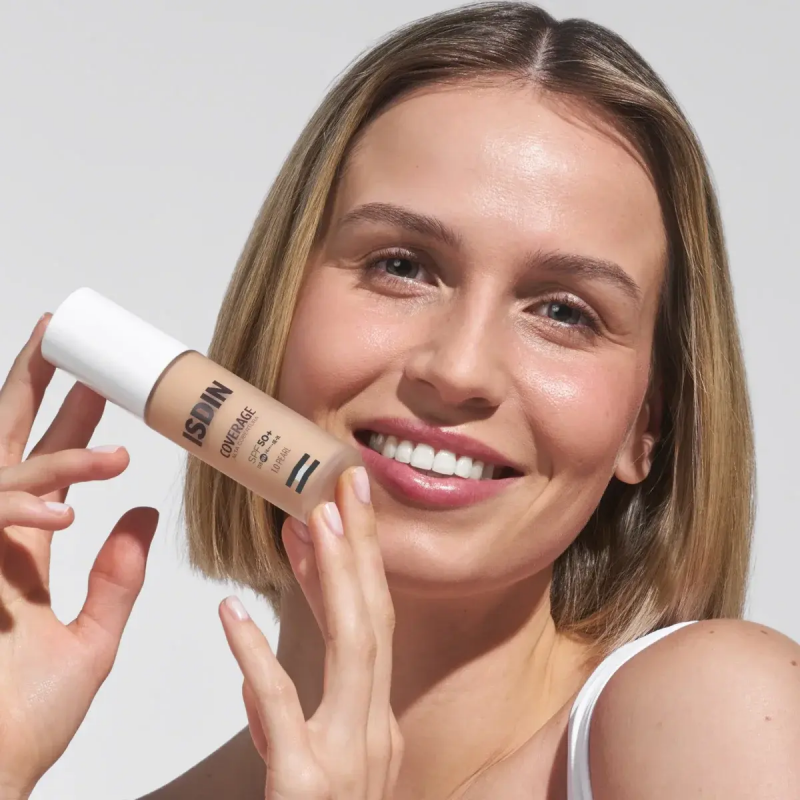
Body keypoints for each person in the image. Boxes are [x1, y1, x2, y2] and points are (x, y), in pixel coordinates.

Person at [1, 3, 799, 798]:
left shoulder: (713, 715)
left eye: (564, 312)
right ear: (277, 313)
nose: (458, 369)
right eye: (402, 266)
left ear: (647, 427)